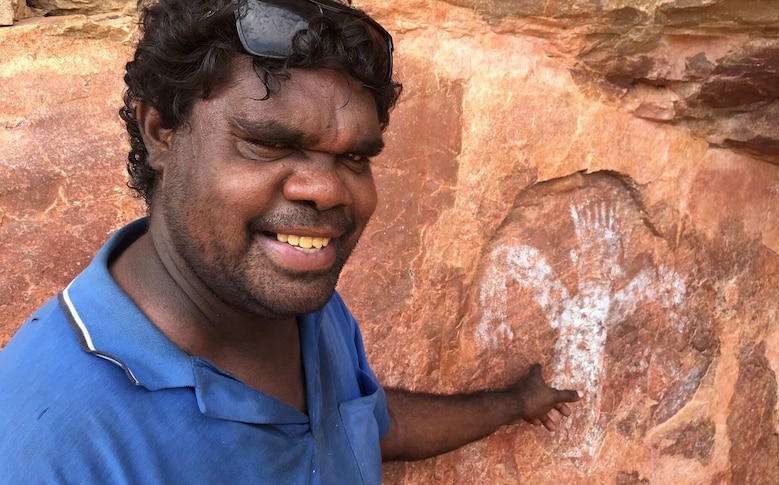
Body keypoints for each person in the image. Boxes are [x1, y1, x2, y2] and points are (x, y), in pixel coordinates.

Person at [0, 0, 579, 482]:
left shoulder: (298, 302)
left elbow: (367, 425)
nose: (327, 190)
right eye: (269, 144)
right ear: (161, 133)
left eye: (354, 157)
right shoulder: (47, 444)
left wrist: (511, 405)